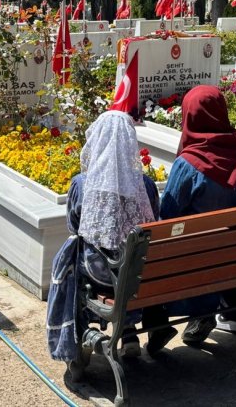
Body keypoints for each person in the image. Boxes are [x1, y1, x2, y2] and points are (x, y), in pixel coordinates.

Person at [144, 85, 236, 349]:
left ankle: (161, 324)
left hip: (198, 258)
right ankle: (203, 316)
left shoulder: (189, 164)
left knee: (154, 248)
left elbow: (167, 215)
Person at [46, 111, 160, 362]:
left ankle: (82, 336)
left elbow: (74, 227)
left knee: (71, 259)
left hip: (99, 275)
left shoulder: (82, 184)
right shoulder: (146, 185)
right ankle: (129, 332)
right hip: (139, 276)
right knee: (126, 261)